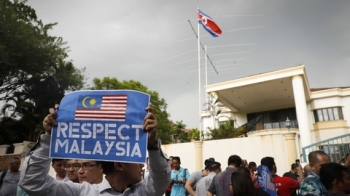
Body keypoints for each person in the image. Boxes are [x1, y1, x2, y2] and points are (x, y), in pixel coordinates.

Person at [18, 106, 171, 196]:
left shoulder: (143, 191)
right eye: (137, 161)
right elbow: (31, 183)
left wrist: (152, 144)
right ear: (119, 165)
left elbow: (161, 178)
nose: (142, 166)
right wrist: (48, 138)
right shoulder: (82, 192)